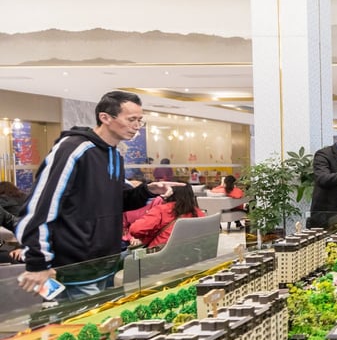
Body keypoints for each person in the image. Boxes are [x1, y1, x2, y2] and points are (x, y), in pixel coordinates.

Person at [16, 91, 181, 299]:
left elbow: (115, 202)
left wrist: (147, 190)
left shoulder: (114, 154)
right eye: (131, 119)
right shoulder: (73, 149)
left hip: (104, 263)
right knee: (78, 329)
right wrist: (38, 261)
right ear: (105, 118)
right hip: (74, 267)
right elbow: (40, 206)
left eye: (140, 120)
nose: (137, 126)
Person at [128, 185, 206, 249]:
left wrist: (147, 235)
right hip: (188, 253)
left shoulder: (161, 210)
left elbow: (135, 229)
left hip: (160, 254)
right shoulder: (199, 213)